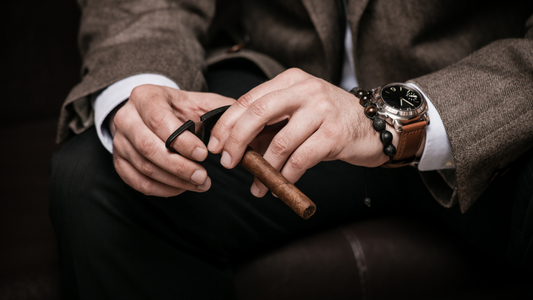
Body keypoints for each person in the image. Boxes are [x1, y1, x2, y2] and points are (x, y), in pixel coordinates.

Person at [50, 0, 533, 298]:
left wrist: (387, 118)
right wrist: (140, 84)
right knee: (101, 183)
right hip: (276, 83)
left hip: (480, 97)